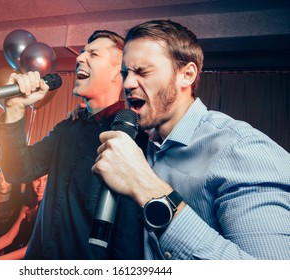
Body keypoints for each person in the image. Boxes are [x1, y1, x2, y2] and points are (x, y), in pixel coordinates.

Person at [91, 19, 290, 260]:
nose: (128, 83)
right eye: (125, 73)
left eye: (142, 71)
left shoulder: (241, 149)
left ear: (186, 74)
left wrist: (147, 188)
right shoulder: (146, 142)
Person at [0, 30, 144, 259]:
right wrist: (15, 109)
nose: (79, 58)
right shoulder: (67, 128)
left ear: (119, 71)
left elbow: (128, 243)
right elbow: (17, 170)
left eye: (93, 54)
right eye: (83, 52)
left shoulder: (132, 138)